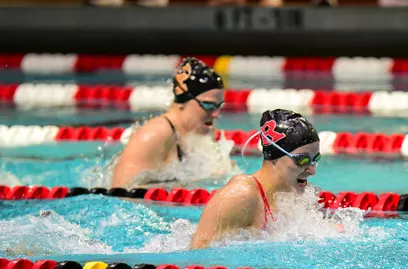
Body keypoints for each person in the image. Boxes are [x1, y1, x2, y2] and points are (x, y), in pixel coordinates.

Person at [190, 109, 321, 249]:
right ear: (274, 155)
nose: (312, 171)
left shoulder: (297, 196)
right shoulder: (240, 196)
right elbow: (198, 255)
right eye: (302, 160)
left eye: (315, 159)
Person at [111, 57, 225, 188]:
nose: (216, 114)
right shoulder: (154, 134)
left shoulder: (201, 129)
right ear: (183, 101)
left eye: (219, 106)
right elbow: (121, 192)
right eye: (208, 105)